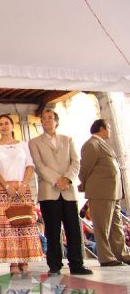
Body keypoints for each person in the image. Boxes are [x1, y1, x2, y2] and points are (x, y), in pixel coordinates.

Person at [28, 109, 92, 275]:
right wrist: (58, 180)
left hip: (68, 191)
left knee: (73, 230)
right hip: (49, 191)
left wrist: (67, 179)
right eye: (43, 118)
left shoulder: (67, 139)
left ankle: (77, 264)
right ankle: (55, 266)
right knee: (52, 229)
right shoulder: (34, 142)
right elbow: (39, 166)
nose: (47, 120)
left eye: (50, 118)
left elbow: (76, 162)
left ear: (56, 121)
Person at [0, 114, 43, 275]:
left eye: (6, 123)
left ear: (12, 126)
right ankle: (12, 263)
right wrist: (6, 186)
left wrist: (24, 185)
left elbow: (30, 165)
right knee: (8, 227)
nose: (4, 126)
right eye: (1, 124)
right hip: (3, 191)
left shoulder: (23, 145)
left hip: (22, 189)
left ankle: (24, 261)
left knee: (24, 224)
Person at [78, 119, 130, 266]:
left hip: (113, 192)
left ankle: (123, 253)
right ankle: (106, 257)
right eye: (109, 128)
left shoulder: (103, 144)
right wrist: (83, 184)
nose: (110, 131)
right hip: (100, 192)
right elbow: (85, 168)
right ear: (102, 128)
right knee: (102, 226)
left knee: (116, 226)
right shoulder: (91, 144)